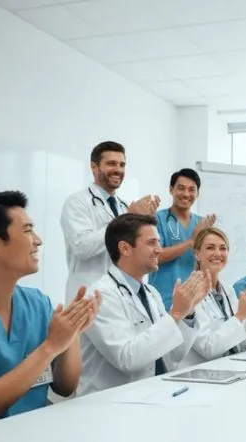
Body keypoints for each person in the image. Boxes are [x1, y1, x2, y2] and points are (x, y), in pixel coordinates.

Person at [0, 191, 99, 435]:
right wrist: (49, 347)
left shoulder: (37, 303)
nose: (37, 240)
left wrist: (72, 333)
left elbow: (66, 386)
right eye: (27, 230)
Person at [78, 214, 208, 395]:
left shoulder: (151, 293)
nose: (159, 250)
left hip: (151, 394)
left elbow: (174, 355)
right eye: (152, 243)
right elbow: (127, 359)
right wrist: (176, 314)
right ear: (124, 248)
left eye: (159, 243)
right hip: (111, 403)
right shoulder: (101, 295)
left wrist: (188, 313)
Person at [61, 141, 160, 304]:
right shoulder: (77, 202)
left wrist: (143, 222)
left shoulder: (123, 206)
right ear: (94, 167)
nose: (118, 170)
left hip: (121, 295)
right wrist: (127, 218)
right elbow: (82, 247)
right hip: (87, 295)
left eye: (122, 165)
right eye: (111, 164)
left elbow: (130, 252)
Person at [180, 227, 246, 366]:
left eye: (223, 248)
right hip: (201, 375)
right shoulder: (190, 291)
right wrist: (241, 315)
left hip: (227, 368)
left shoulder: (227, 289)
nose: (218, 253)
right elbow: (208, 348)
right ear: (197, 254)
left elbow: (242, 343)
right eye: (210, 248)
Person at [150, 168, 216, 309]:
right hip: (164, 300)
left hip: (197, 302)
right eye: (181, 188)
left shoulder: (202, 223)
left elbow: (209, 263)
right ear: (171, 190)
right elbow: (155, 256)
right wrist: (192, 240)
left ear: (197, 193)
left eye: (192, 190)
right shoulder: (157, 219)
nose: (186, 194)